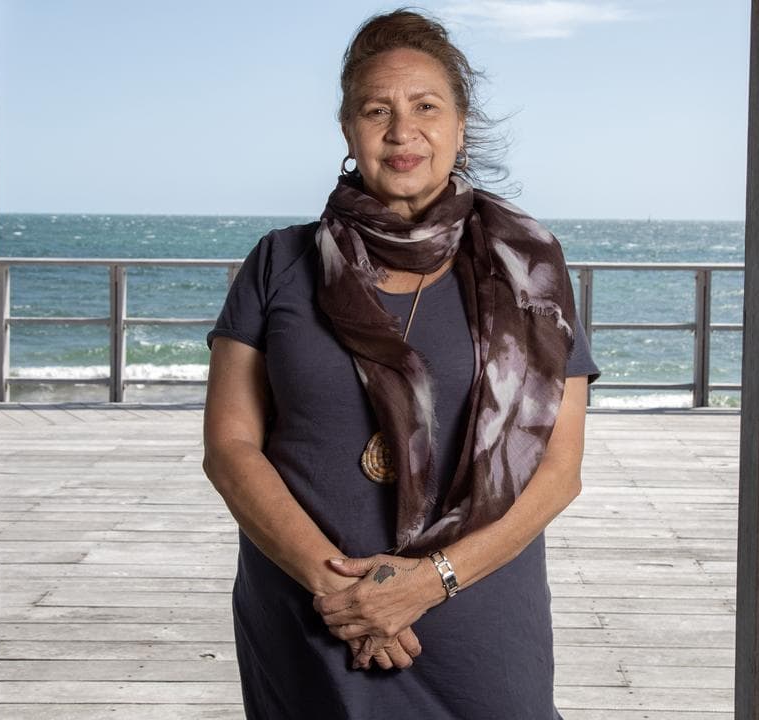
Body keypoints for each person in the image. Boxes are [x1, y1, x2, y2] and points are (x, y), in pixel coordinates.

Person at [202, 9, 600, 719]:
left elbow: (558, 471)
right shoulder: (278, 262)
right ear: (347, 129)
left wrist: (428, 582)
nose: (400, 131)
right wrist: (340, 591)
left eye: (425, 107)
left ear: (459, 123)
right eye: (375, 110)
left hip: (475, 610)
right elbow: (230, 448)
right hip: (312, 610)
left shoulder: (530, 270)